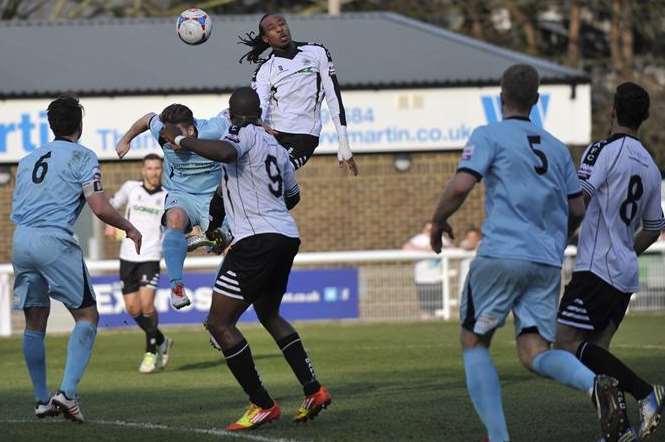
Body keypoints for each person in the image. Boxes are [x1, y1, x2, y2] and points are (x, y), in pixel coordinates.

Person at [430, 64, 628, 442]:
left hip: (502, 254)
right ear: (536, 100)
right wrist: (556, 239)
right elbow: (576, 210)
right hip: (545, 262)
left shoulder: (489, 134)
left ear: (500, 97)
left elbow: (460, 187)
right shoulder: (555, 147)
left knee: (474, 342)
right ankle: (594, 383)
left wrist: (437, 222)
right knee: (534, 350)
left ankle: (499, 437)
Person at [160, 87, 330, 431]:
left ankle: (262, 403)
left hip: (257, 242)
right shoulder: (276, 148)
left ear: (232, 114)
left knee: (219, 324)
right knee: (269, 314)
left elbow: (224, 151)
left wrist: (184, 142)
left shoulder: (238, 135)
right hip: (286, 236)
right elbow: (292, 196)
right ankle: (314, 390)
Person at [11, 96, 141, 422]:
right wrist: (129, 228)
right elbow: (98, 206)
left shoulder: (28, 159)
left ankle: (42, 400)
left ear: (51, 125)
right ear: (80, 127)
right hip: (53, 240)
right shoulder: (83, 156)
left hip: (22, 240)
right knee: (87, 315)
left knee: (34, 322)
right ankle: (67, 394)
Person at [554, 82, 664, 440]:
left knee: (564, 343)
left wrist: (557, 238)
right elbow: (654, 227)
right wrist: (625, 250)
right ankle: (621, 431)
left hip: (596, 269)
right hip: (623, 272)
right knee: (598, 355)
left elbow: (580, 200)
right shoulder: (649, 164)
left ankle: (646, 392)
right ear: (644, 118)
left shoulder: (602, 149)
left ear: (613, 112)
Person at [116, 105, 231, 310]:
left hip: (214, 197)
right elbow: (147, 118)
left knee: (231, 248)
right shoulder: (161, 129)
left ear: (189, 131)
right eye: (166, 136)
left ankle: (220, 307)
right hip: (182, 195)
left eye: (174, 136)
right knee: (174, 219)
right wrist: (126, 140)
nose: (168, 140)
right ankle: (177, 287)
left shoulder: (215, 129)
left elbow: (239, 117)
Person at [238, 13, 358, 175]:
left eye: (282, 24)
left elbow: (333, 96)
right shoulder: (265, 70)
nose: (280, 29)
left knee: (275, 173)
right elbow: (260, 104)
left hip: (303, 136)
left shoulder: (317, 52)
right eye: (272, 29)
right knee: (245, 176)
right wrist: (258, 121)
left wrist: (343, 140)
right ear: (266, 39)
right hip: (272, 135)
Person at [105, 154, 173, 374]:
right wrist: (111, 224)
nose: (153, 172)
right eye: (150, 168)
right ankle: (162, 340)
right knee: (133, 309)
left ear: (161, 170)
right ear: (143, 170)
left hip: (151, 256)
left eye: (157, 168)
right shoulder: (131, 188)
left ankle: (150, 352)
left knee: (146, 306)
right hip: (127, 257)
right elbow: (109, 205)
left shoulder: (167, 197)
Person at [402, 222, 450, 318]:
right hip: (423, 279)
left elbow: (450, 247)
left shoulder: (440, 238)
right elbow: (406, 247)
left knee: (439, 307)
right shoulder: (419, 239)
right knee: (425, 307)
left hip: (439, 278)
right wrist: (424, 250)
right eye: (428, 230)